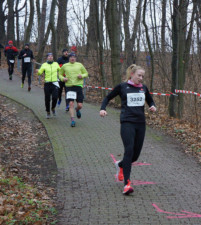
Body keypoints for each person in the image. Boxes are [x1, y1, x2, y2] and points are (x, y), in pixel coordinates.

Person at [99, 64, 156, 195]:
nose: (141, 78)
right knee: (129, 151)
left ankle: (120, 165)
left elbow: (151, 101)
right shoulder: (122, 87)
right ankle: (127, 184)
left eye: (142, 76)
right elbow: (107, 97)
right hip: (127, 123)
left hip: (140, 124)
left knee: (135, 156)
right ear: (132, 74)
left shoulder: (143, 88)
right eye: (139, 75)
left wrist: (153, 107)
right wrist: (103, 108)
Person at [60, 52, 88, 127]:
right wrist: (63, 78)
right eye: (71, 57)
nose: (72, 58)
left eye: (74, 57)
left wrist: (81, 75)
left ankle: (77, 109)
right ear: (69, 58)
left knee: (80, 105)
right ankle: (72, 120)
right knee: (71, 104)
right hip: (69, 86)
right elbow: (59, 74)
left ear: (75, 58)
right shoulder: (65, 66)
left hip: (78, 86)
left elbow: (86, 73)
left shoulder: (79, 65)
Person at [37, 53, 61, 119]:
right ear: (47, 57)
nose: (50, 57)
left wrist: (62, 76)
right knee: (47, 99)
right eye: (49, 56)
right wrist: (38, 71)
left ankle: (53, 108)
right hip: (47, 84)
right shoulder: (44, 65)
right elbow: (40, 72)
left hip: (55, 83)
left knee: (55, 97)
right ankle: (48, 111)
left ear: (53, 57)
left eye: (51, 56)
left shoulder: (56, 64)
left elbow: (60, 70)